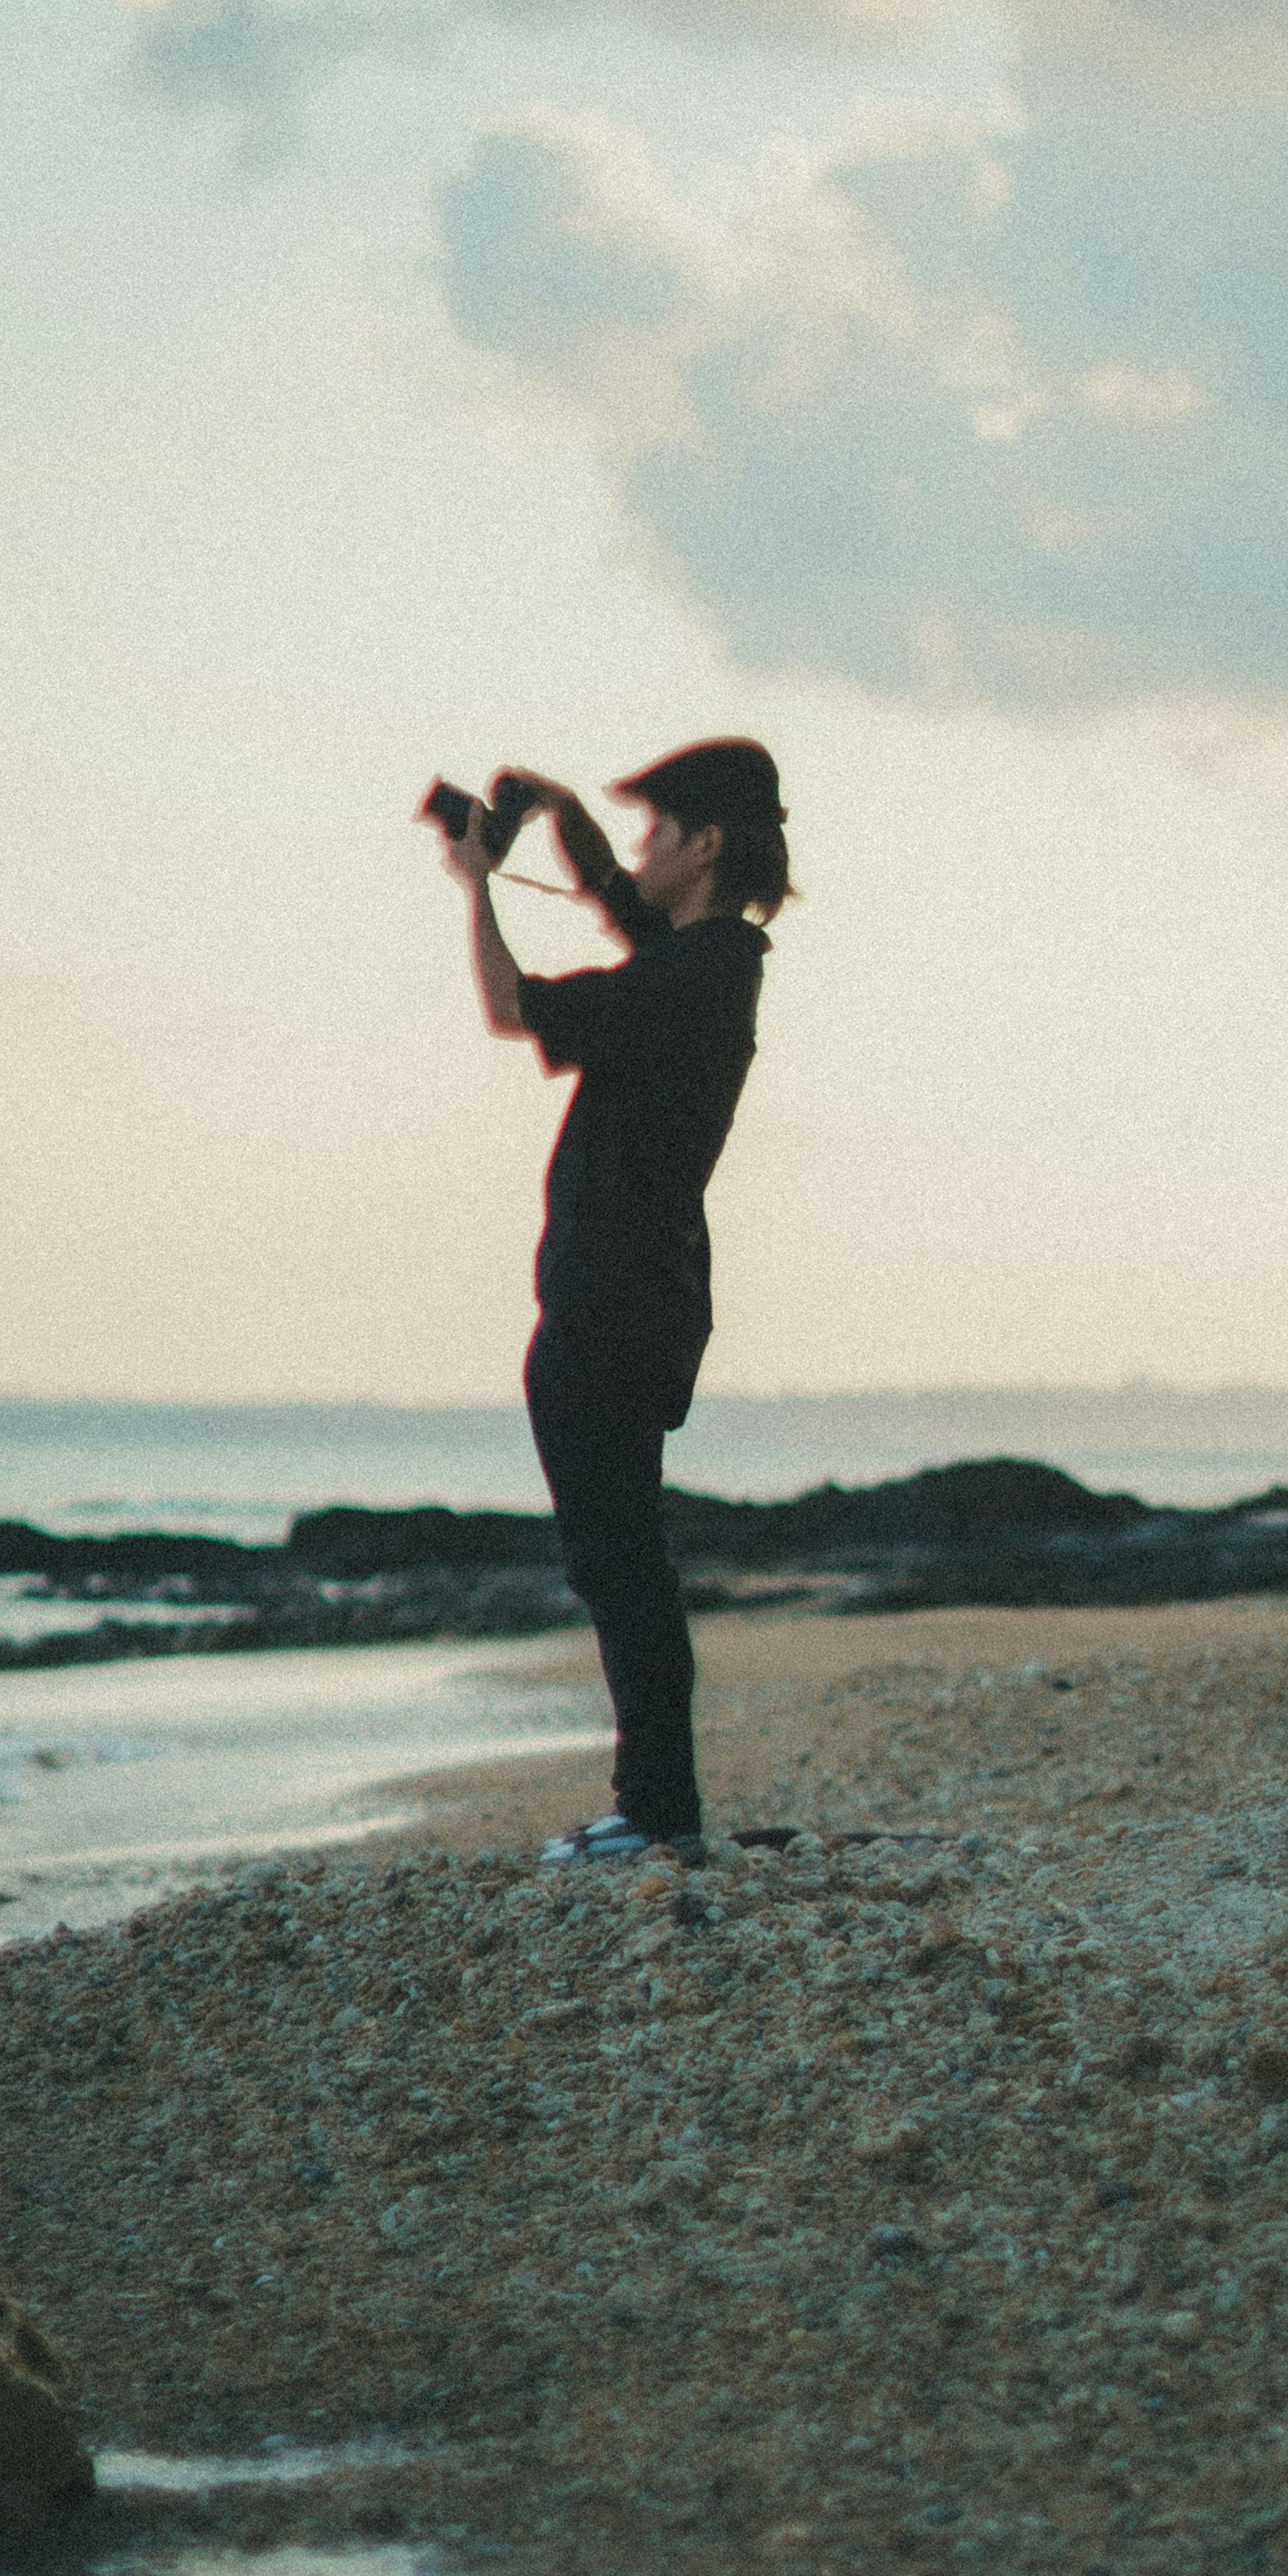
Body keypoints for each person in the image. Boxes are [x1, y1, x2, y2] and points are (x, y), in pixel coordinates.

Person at [436, 741, 790, 1863]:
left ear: (708, 846)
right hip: (639, 1297)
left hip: (612, 1305)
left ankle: (655, 1814)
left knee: (622, 1565)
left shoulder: (687, 981)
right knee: (626, 1561)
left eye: (655, 832)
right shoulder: (712, 961)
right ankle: (655, 1806)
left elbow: (509, 1008)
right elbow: (629, 911)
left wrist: (476, 884)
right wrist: (568, 818)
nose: (640, 851)